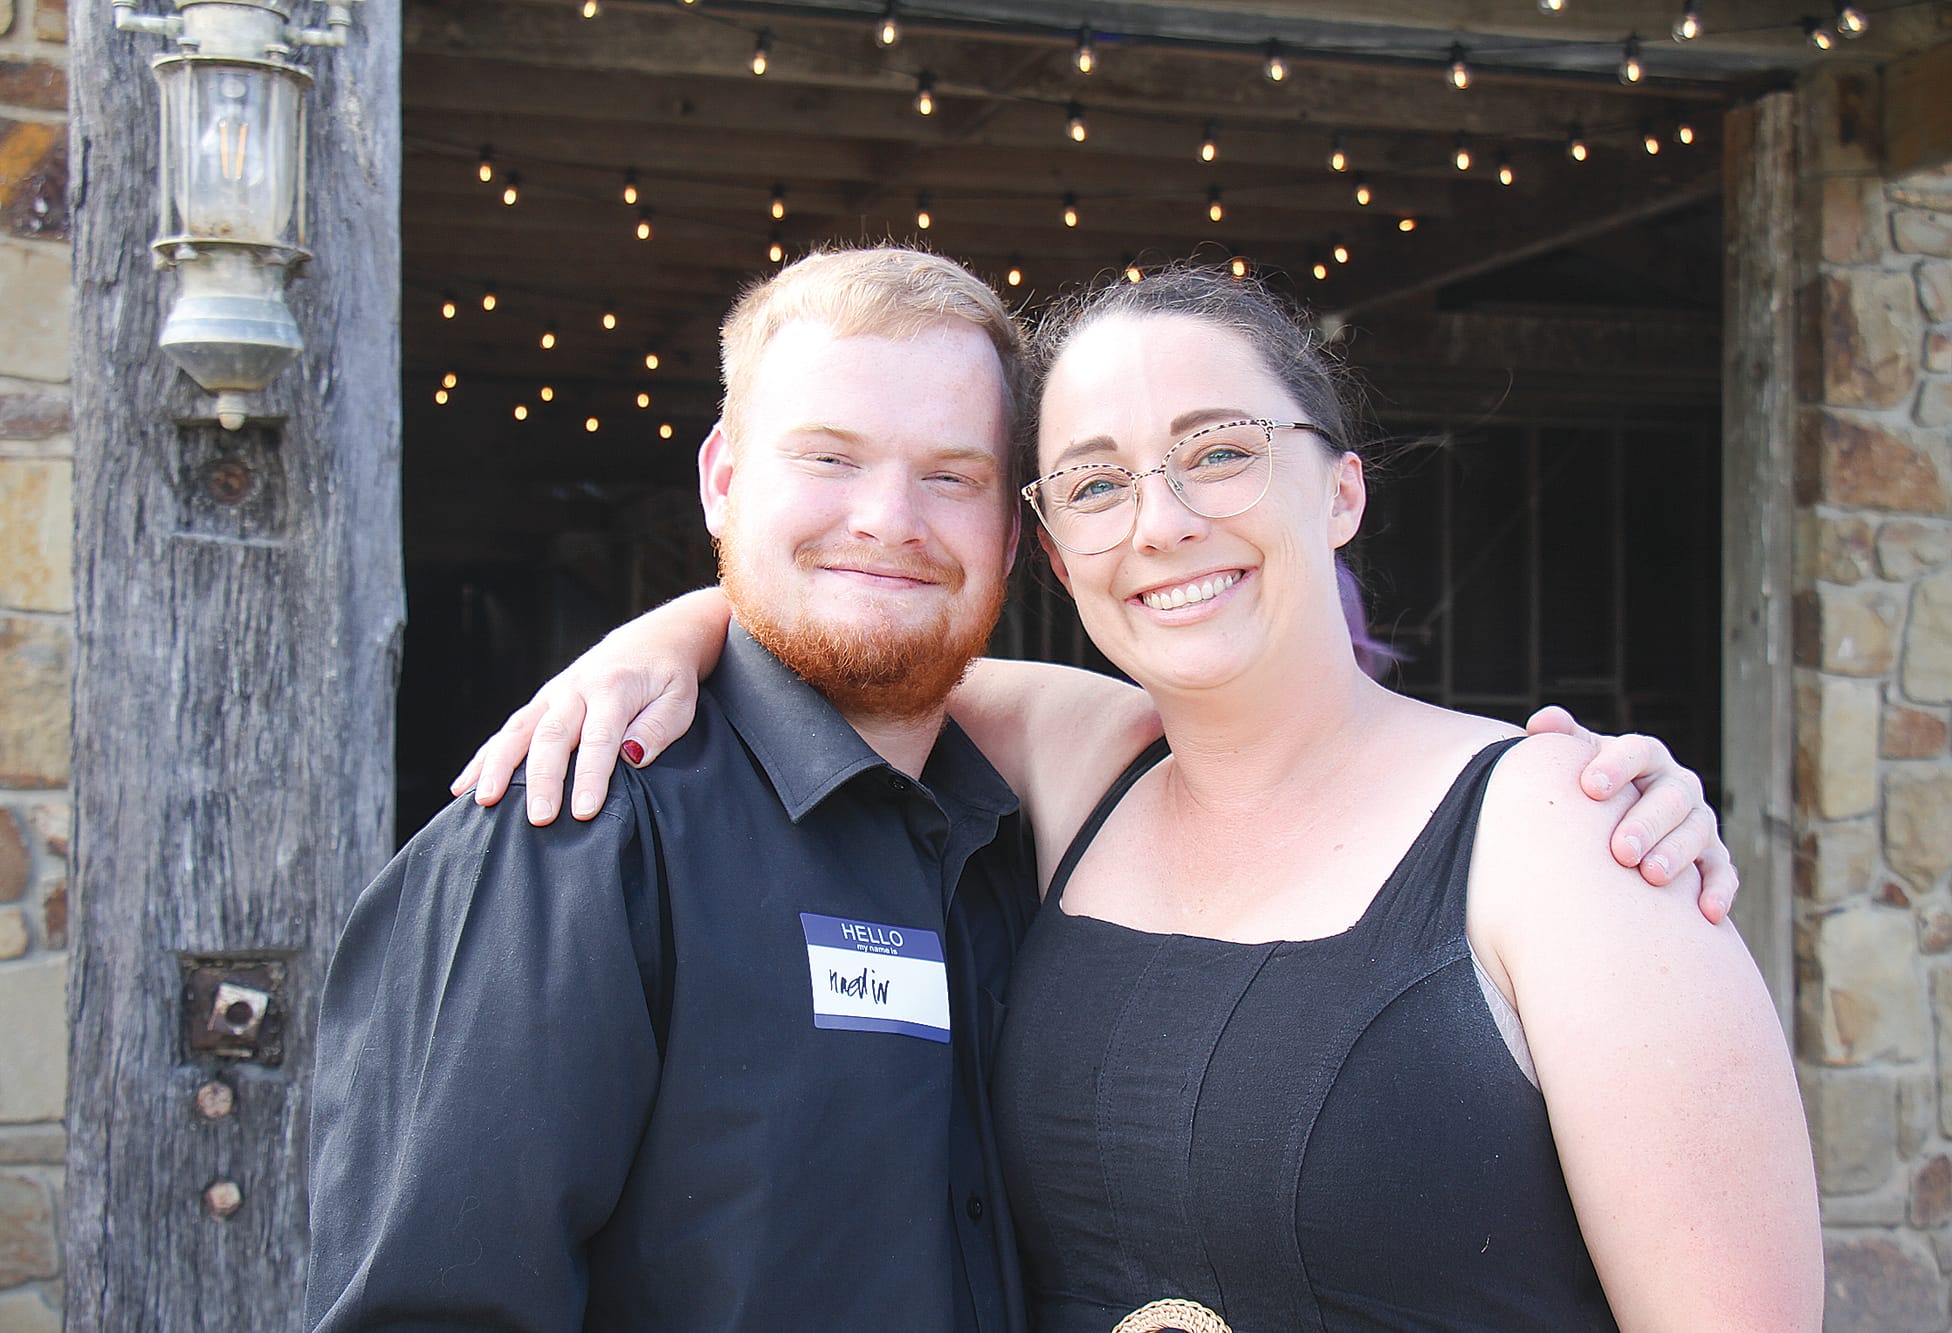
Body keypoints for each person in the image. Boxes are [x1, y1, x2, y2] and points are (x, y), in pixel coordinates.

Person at [321, 247, 1734, 1333]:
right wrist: (665, 638)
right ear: (722, 481)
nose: (887, 518)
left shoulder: (1017, 813)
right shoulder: (578, 831)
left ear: (1012, 537)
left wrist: (1562, 796)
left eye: (953, 475)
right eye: (828, 458)